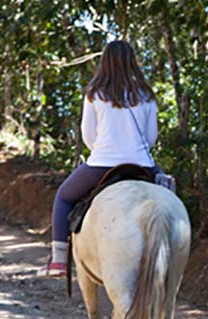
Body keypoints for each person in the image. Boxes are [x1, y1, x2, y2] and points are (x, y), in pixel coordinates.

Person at [37, 40, 168, 278]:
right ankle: (173, 255)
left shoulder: (95, 93)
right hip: (142, 165)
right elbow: (151, 138)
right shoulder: (147, 94)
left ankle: (58, 261)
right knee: (169, 196)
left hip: (102, 164)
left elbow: (89, 136)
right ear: (133, 62)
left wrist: (106, 148)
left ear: (104, 62)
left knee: (64, 197)